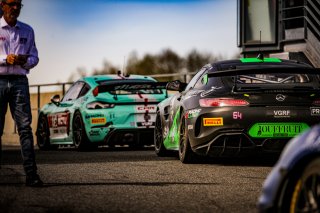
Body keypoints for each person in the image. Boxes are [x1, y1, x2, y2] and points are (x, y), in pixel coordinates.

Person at [0, 0, 42, 187]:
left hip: (19, 82)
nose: (15, 8)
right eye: (11, 4)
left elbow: (35, 57)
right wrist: (4, 59)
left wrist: (25, 61)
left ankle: (32, 175)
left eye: (19, 4)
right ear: (2, 5)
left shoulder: (27, 30)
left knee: (25, 129)